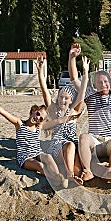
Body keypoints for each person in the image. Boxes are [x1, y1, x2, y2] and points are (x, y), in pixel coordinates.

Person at [68, 43, 111, 182]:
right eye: (100, 82)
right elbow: (74, 80)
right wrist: (71, 58)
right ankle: (88, 171)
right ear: (95, 85)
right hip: (95, 140)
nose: (104, 84)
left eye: (106, 82)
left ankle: (110, 170)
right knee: (82, 137)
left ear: (110, 83)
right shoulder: (90, 95)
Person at [0, 90, 68, 187]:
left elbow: (57, 120)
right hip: (25, 158)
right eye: (37, 114)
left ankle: (58, 176)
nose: (37, 118)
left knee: (48, 157)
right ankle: (55, 180)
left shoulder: (38, 127)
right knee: (40, 166)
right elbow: (3, 112)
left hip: (37, 153)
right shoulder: (19, 124)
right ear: (33, 111)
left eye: (41, 118)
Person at [35, 55, 89, 186]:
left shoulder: (74, 111)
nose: (62, 100)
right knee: (70, 147)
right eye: (60, 97)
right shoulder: (53, 110)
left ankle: (68, 175)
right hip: (57, 146)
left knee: (79, 167)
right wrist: (40, 70)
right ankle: (69, 175)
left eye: (66, 98)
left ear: (71, 100)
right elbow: (44, 91)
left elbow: (82, 92)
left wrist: (85, 72)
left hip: (72, 146)